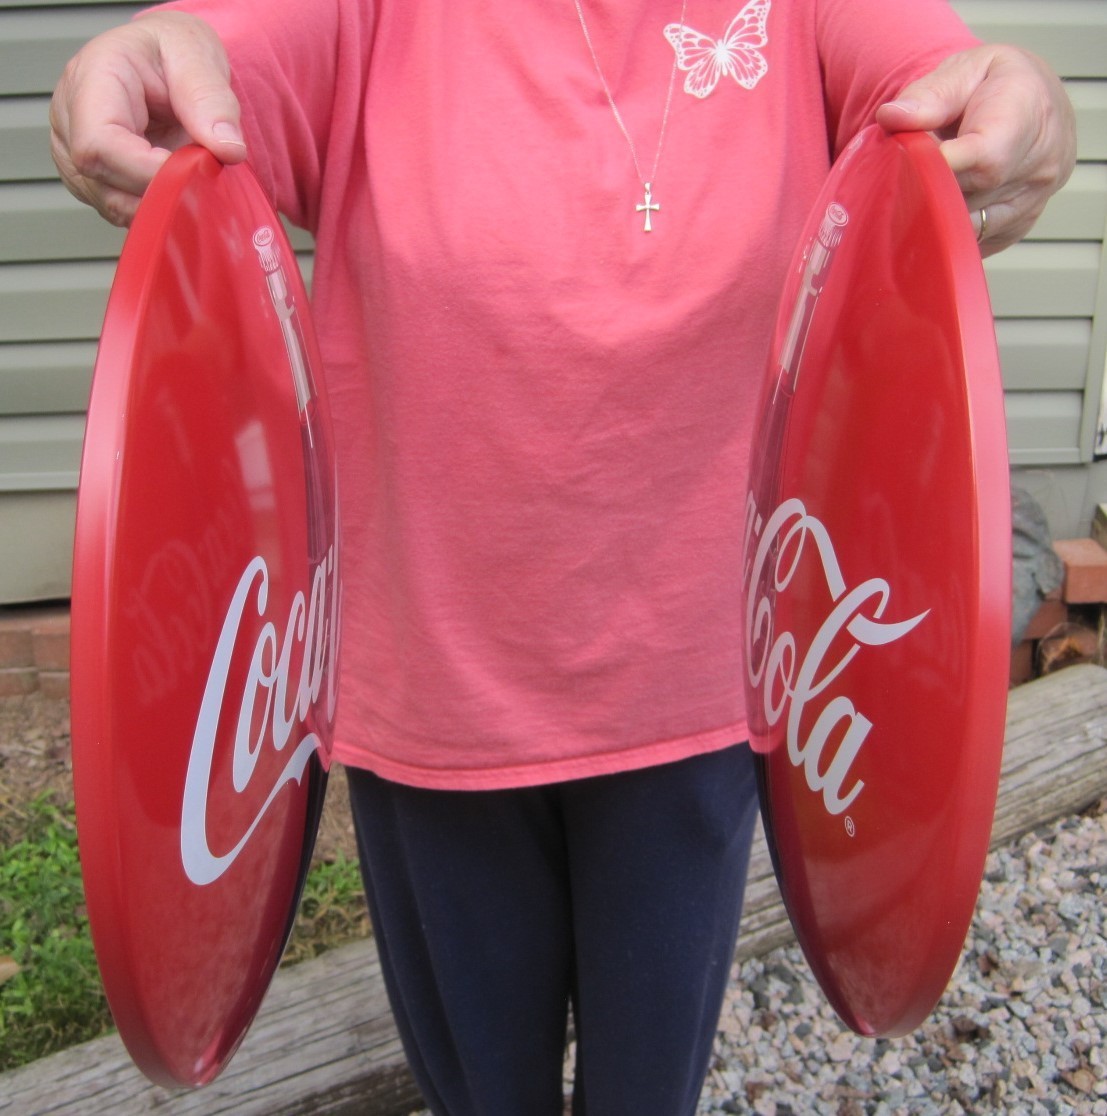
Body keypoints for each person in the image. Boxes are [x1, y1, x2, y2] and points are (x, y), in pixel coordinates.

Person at [50, 2, 1076, 1112]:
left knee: (649, 1091)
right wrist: (147, 59)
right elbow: (214, 67)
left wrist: (1028, 106)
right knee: (482, 1093)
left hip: (696, 696)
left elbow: (948, 84)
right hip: (434, 707)